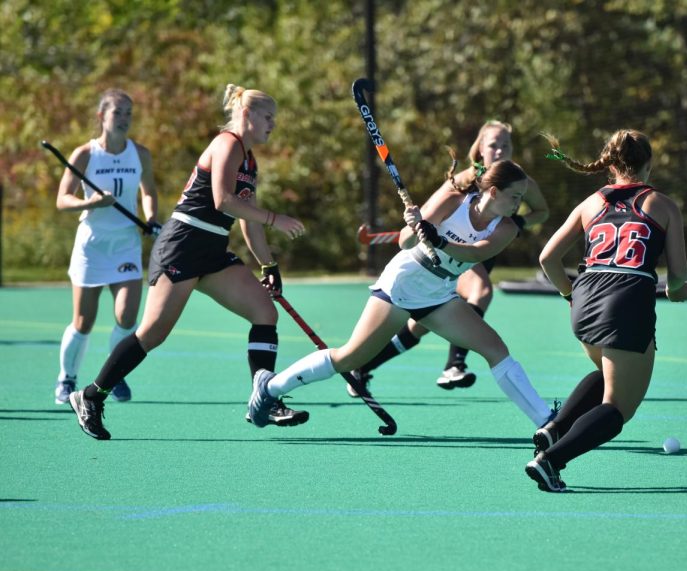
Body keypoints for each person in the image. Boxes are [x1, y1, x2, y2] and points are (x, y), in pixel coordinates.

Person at [67, 84, 307, 440]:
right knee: (152, 334)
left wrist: (268, 265)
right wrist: (276, 218)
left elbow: (248, 218)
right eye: (268, 117)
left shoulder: (249, 158)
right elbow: (224, 200)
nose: (273, 124)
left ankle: (265, 400)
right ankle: (90, 395)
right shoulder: (227, 144)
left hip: (212, 249)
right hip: (183, 244)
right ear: (247, 114)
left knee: (264, 313)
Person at [248, 159, 554, 429]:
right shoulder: (453, 200)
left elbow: (477, 253)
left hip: (440, 293)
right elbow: (406, 242)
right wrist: (414, 224)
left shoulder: (507, 228)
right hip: (403, 283)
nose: (518, 205)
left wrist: (442, 242)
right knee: (350, 356)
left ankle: (546, 421)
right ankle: (270, 387)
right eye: (515, 197)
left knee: (495, 349)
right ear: (494, 191)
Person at [525, 130, 687, 492]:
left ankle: (554, 429)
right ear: (648, 165)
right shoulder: (662, 204)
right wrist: (679, 291)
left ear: (610, 166)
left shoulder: (590, 203)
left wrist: (570, 294)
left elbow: (547, 258)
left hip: (584, 300)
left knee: (607, 372)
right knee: (620, 407)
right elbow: (677, 280)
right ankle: (550, 461)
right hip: (626, 301)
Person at [347, 120, 549, 396]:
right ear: (479, 149)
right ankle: (455, 365)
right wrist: (419, 225)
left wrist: (516, 225)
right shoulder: (466, 178)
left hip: (483, 252)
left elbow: (542, 212)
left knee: (418, 326)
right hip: (456, 251)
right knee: (481, 291)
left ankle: (363, 368)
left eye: (506, 145)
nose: (500, 151)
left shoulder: (521, 184)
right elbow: (429, 215)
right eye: (493, 145)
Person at [54, 89, 160, 406]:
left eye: (129, 113)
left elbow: (149, 192)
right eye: (118, 113)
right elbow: (63, 200)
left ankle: (113, 375)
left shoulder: (139, 154)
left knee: (127, 318)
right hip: (92, 245)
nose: (125, 119)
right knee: (83, 321)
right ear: (102, 116)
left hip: (126, 244)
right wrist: (92, 202)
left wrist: (152, 217)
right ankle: (66, 379)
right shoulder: (84, 154)